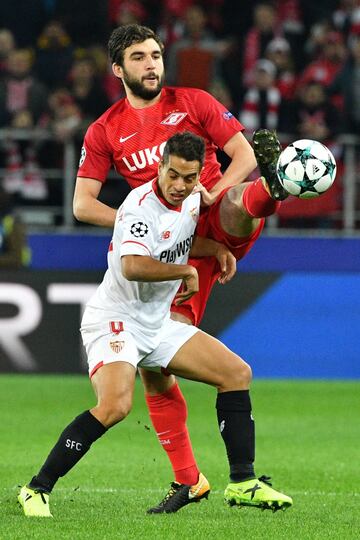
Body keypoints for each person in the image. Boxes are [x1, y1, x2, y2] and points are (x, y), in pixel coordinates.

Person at [72, 23, 289, 513]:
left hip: (213, 215)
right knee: (156, 366)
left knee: (237, 197)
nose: (151, 64)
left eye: (155, 55)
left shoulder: (193, 101)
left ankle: (271, 190)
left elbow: (242, 153)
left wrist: (212, 191)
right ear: (118, 69)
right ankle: (190, 479)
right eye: (139, 58)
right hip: (179, 250)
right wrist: (136, 224)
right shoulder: (105, 128)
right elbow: (83, 206)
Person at [18, 132, 292, 517]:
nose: (181, 186)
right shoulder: (138, 207)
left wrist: (213, 248)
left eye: (190, 178)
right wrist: (187, 273)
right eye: (174, 175)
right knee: (115, 406)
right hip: (116, 321)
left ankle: (243, 482)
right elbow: (133, 266)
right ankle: (36, 489)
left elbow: (178, 240)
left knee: (236, 373)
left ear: (199, 176)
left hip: (156, 324)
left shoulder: (193, 197)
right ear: (161, 167)